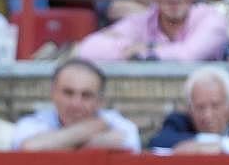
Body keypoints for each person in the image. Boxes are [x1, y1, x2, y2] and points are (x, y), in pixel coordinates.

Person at [11, 58, 140, 153]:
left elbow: (126, 142)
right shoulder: (31, 123)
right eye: (68, 93)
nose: (76, 104)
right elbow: (29, 148)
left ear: (100, 101)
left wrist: (55, 143)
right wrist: (92, 128)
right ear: (53, 94)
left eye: (86, 95)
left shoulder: (119, 123)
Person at [75, 0, 229, 63]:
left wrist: (146, 50)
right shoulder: (143, 20)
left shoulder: (212, 19)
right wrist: (130, 48)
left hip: (203, 111)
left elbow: (188, 56)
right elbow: (88, 49)